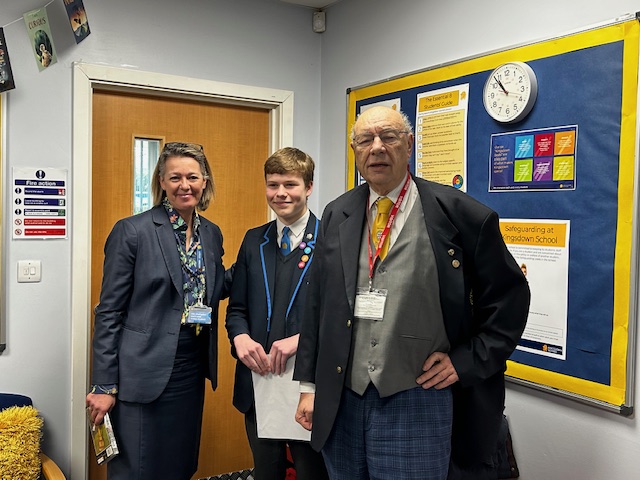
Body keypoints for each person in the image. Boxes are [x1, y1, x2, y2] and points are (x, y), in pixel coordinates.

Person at [293, 106, 530, 480]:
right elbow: (316, 305)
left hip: (419, 399)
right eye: (365, 140)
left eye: (388, 136)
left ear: (409, 144)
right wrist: (309, 386)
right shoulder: (338, 214)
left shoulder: (462, 215)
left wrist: (466, 361)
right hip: (342, 399)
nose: (377, 147)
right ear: (354, 151)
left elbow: (509, 301)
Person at [86, 142, 230, 480]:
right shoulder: (133, 231)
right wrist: (104, 385)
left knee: (179, 464)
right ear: (162, 182)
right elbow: (109, 312)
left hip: (190, 366)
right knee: (138, 468)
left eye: (192, 177)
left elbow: (214, 287)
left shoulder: (211, 233)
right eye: (175, 177)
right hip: (142, 371)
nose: (185, 185)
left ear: (205, 181)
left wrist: (255, 261)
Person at [226, 147, 329, 480]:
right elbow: (237, 308)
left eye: (290, 184)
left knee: (312, 474)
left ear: (308, 187)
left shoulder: (331, 241)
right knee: (266, 473)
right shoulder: (254, 240)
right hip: (261, 385)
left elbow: (342, 316)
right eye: (273, 185)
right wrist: (240, 338)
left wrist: (300, 340)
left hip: (309, 387)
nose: (280, 193)